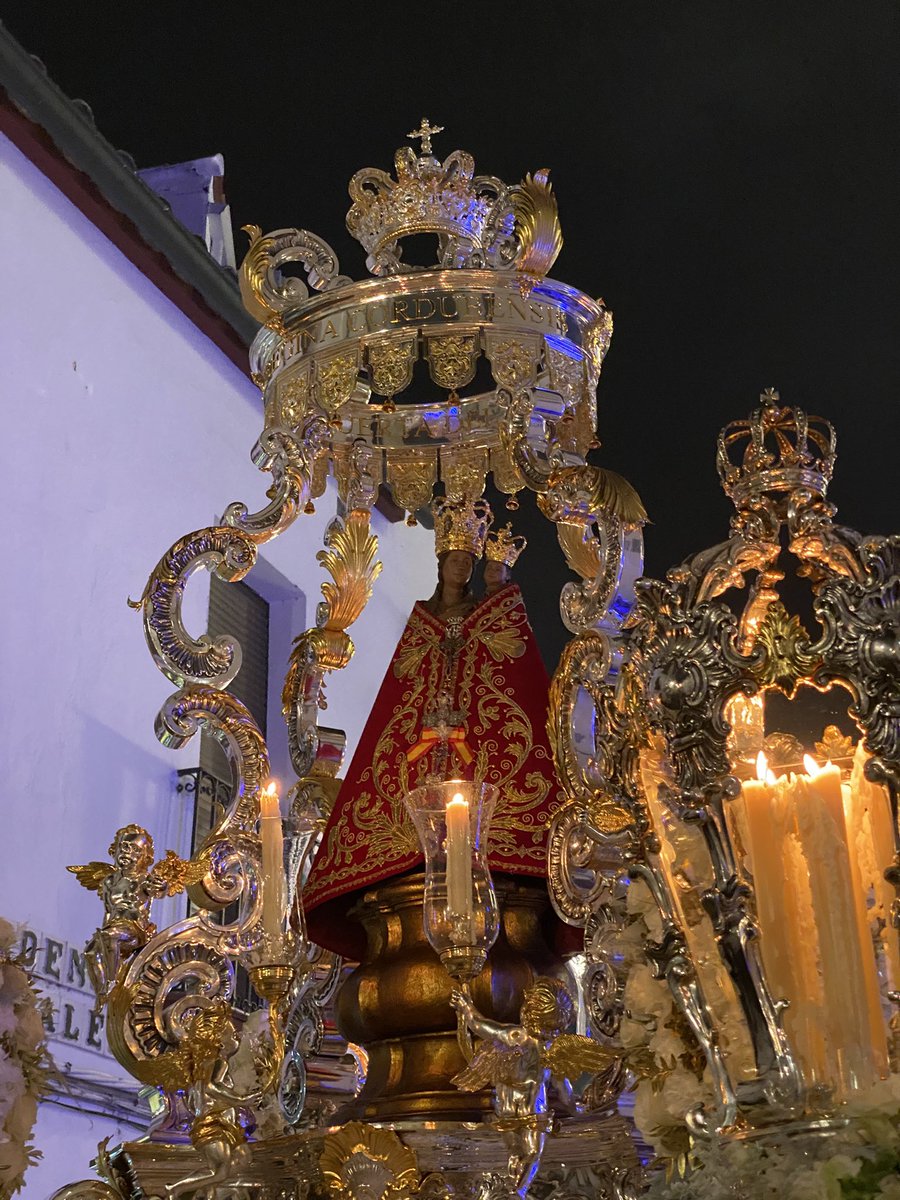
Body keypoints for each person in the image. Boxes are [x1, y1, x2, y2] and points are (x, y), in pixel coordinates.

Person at [304, 497, 562, 959]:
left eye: (467, 562)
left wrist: (499, 589)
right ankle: (408, 851)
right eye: (454, 561)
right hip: (423, 747)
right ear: (441, 565)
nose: (460, 569)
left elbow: (509, 664)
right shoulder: (422, 622)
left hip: (472, 751)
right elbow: (403, 688)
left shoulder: (487, 616)